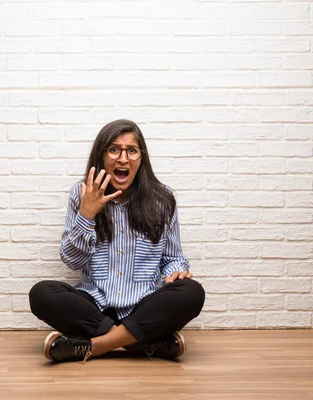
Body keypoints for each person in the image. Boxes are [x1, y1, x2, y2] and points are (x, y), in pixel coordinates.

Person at [29, 119, 205, 363]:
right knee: (42, 294)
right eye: (114, 149)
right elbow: (71, 260)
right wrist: (87, 214)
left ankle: (94, 346)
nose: (123, 158)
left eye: (131, 150)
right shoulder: (80, 193)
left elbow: (173, 258)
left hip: (145, 303)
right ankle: (143, 342)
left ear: (141, 158)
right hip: (96, 304)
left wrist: (176, 272)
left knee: (192, 292)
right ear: (101, 155)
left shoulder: (162, 199)